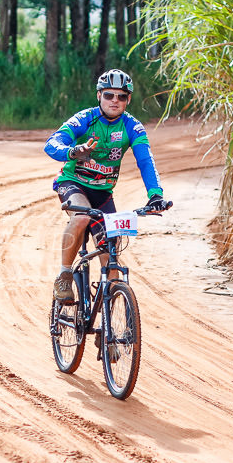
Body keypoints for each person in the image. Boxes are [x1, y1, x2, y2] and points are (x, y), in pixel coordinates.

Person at [44, 68, 171, 303]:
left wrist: (155, 195)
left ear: (128, 99)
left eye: (121, 96)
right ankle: (64, 274)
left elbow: (145, 160)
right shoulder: (85, 119)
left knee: (111, 257)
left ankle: (108, 323)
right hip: (73, 183)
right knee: (81, 217)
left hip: (103, 193)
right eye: (109, 95)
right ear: (99, 96)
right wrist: (72, 151)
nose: (115, 101)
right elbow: (52, 144)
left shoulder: (132, 127)